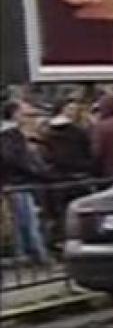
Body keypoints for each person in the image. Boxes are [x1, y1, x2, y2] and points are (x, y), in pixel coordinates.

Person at [1, 100, 51, 265]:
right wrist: (35, 171)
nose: (28, 118)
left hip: (17, 182)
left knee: (23, 221)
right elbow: (13, 159)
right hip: (17, 182)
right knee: (27, 221)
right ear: (15, 114)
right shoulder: (9, 135)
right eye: (25, 114)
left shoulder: (14, 135)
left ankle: (26, 254)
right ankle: (38, 255)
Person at [42, 98, 97, 178]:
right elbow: (87, 149)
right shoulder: (77, 131)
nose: (74, 112)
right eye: (71, 109)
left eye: (75, 109)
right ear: (61, 110)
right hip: (78, 171)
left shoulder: (47, 130)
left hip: (58, 173)